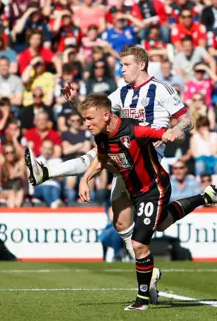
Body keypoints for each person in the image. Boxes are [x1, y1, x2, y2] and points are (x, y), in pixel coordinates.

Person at [27, 45, 193, 262]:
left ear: (141, 65)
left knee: (99, 154)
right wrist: (75, 102)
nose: (122, 70)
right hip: (125, 154)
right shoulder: (122, 92)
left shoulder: (161, 89)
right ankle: (146, 272)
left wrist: (175, 130)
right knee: (121, 223)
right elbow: (96, 116)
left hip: (148, 156)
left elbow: (187, 120)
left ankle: (47, 173)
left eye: (126, 65)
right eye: (121, 65)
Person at [77, 94, 217, 310]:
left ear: (106, 114)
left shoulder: (135, 130)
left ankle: (142, 301)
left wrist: (173, 134)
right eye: (85, 119)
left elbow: (167, 134)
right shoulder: (101, 137)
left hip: (154, 188)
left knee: (139, 245)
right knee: (161, 223)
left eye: (90, 118)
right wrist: (85, 179)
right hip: (135, 191)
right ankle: (205, 197)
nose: (87, 124)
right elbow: (102, 159)